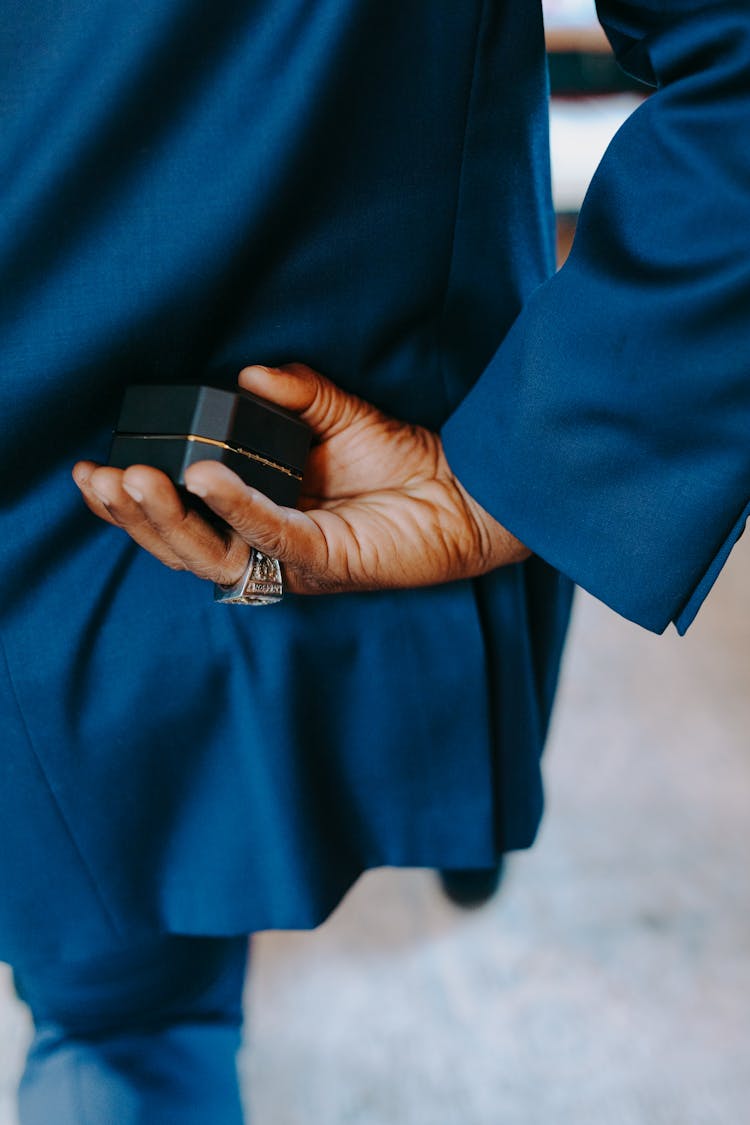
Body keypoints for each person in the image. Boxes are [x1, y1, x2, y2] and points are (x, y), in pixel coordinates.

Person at [2, 1, 748, 1120]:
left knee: (126, 1000)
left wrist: (544, 455)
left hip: (192, 482)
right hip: (142, 533)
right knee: (126, 1001)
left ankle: (425, 755)